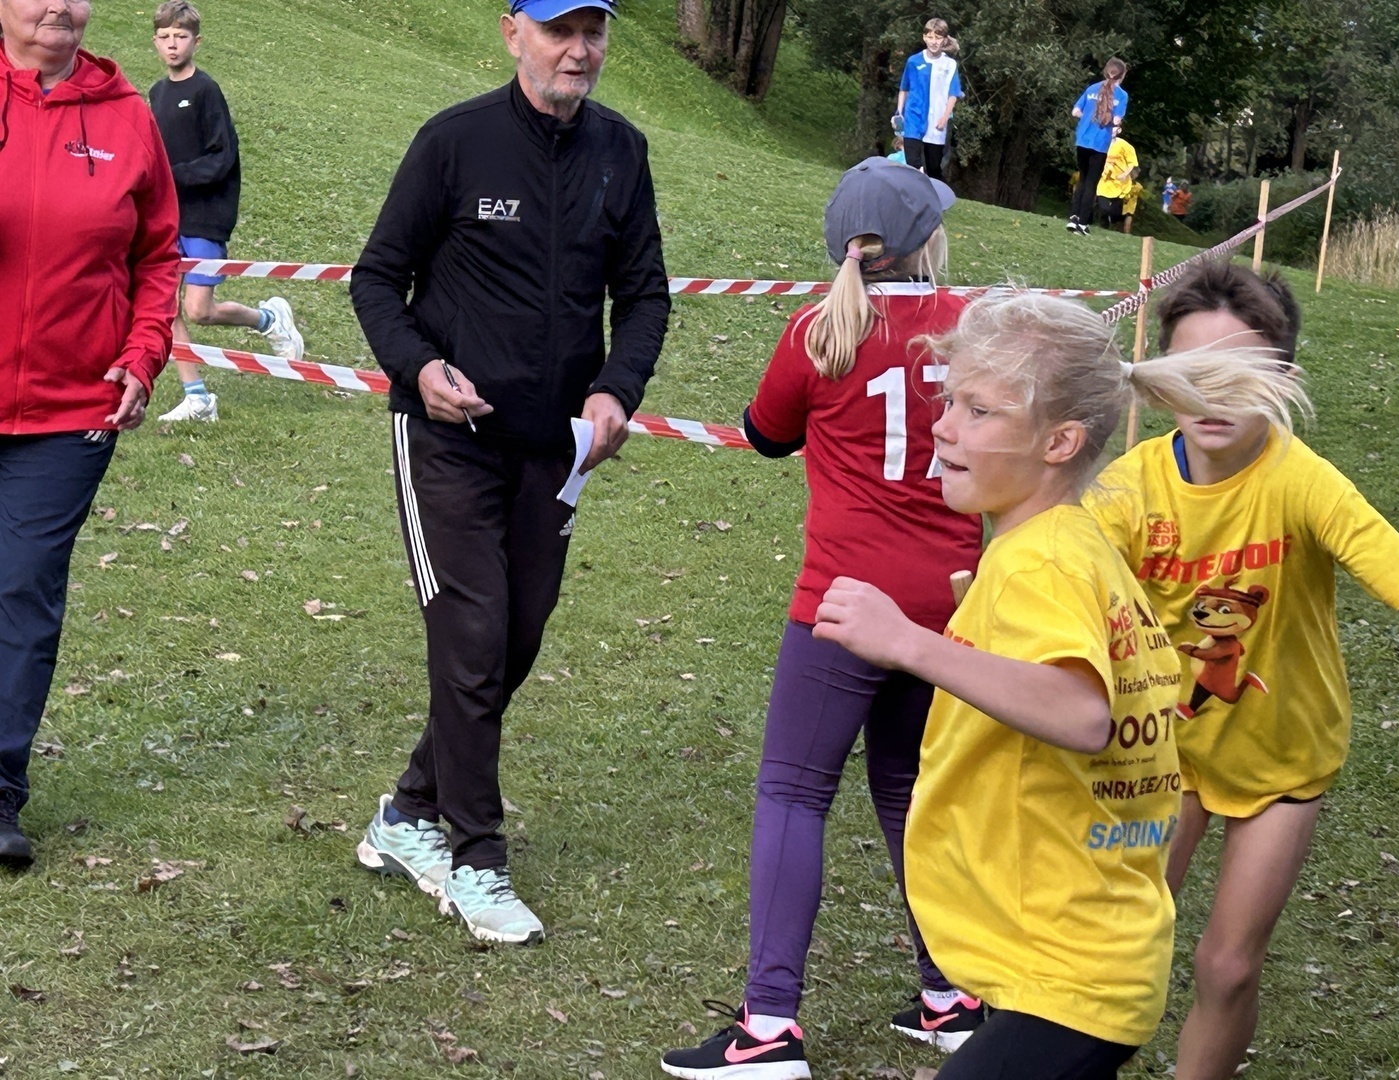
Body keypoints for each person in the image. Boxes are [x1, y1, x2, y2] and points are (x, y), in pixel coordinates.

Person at [806, 292, 1312, 1080]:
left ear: (1060, 442)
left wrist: (907, 643)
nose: (945, 427)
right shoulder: (1070, 542)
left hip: (1072, 975)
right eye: (950, 401)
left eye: (980, 410)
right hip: (1076, 954)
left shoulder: (1041, 561)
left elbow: (1081, 713)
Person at [349, 0, 669, 946]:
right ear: (513, 32)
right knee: (474, 633)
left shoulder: (621, 151)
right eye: (559, 31)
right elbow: (376, 278)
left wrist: (615, 390)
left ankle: (409, 810)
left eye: (593, 33)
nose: (578, 51)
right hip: (447, 437)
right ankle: (476, 858)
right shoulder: (455, 142)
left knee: (517, 635)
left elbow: (644, 293)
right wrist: (420, 368)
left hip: (556, 447)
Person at [660, 159, 983, 1080]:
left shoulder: (818, 331)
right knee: (909, 791)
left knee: (794, 793)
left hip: (843, 604)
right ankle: (952, 996)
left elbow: (767, 432)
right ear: (922, 242)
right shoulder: (969, 328)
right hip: (949, 604)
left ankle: (768, 1025)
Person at [1084, 263, 1399, 1080]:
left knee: (1227, 965)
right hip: (1163, 753)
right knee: (1111, 941)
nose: (1213, 395)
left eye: (1239, 372)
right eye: (1194, 370)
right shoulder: (1127, 489)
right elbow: (1057, 595)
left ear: (1283, 380)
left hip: (1282, 756)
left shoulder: (1301, 480)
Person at [0, 0, 179, 868]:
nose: (58, 6)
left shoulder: (127, 115)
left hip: (73, 409)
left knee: (23, 589)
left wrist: (144, 353)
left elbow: (158, 255)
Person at [148, 0, 303, 423]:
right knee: (165, 307)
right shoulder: (157, 93)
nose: (172, 44)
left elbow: (222, 158)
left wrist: (171, 176)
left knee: (200, 310)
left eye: (181, 36)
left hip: (204, 217)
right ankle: (197, 397)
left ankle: (269, 319)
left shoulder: (206, 91)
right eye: (165, 37)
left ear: (196, 42)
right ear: (155, 42)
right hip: (166, 219)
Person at [894, 17, 962, 181]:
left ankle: (934, 193)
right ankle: (913, 193)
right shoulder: (913, 61)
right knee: (912, 164)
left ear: (944, 39)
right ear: (924, 37)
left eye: (938, 38)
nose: (933, 42)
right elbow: (904, 88)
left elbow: (953, 94)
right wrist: (899, 112)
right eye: (930, 37)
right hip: (913, 118)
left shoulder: (950, 64)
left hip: (936, 121)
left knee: (933, 168)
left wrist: (945, 117)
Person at [1068, 57, 1128, 236]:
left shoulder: (1092, 88)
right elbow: (1116, 120)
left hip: (1082, 139)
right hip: (1100, 143)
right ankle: (1083, 224)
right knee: (1092, 183)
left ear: (1106, 71)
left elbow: (1075, 111)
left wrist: (1088, 117)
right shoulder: (1121, 95)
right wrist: (1116, 127)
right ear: (1122, 75)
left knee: (1083, 178)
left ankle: (1073, 218)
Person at [1094, 128, 1138, 232]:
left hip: (1120, 184)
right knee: (1103, 207)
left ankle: (1112, 220)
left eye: (1114, 127)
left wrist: (1125, 174)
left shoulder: (1125, 146)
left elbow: (1132, 163)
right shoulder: (1100, 143)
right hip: (1105, 182)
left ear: (1119, 130)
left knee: (1115, 213)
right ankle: (1104, 223)